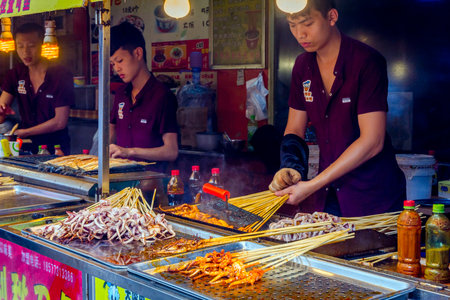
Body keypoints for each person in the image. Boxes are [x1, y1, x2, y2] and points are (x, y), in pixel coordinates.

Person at [269, 0, 406, 217]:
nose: (299, 34)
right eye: (292, 25)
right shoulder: (302, 66)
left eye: (307, 23)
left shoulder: (366, 61)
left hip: (373, 197)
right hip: (330, 195)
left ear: (332, 17)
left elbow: (373, 141)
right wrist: (291, 167)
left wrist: (312, 184)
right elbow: (295, 129)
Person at [109, 22, 178, 171]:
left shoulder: (163, 96)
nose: (117, 68)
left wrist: (129, 152)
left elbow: (171, 151)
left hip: (152, 185)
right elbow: (111, 132)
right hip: (120, 179)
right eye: (113, 64)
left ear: (138, 53)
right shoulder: (121, 94)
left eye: (120, 60)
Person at [0, 23, 73, 154]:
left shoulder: (60, 75)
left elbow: (60, 121)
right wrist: (1, 112)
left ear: (43, 45)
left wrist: (27, 132)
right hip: (24, 147)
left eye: (31, 46)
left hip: (55, 148)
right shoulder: (16, 73)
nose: (25, 52)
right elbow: (1, 111)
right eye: (20, 46)